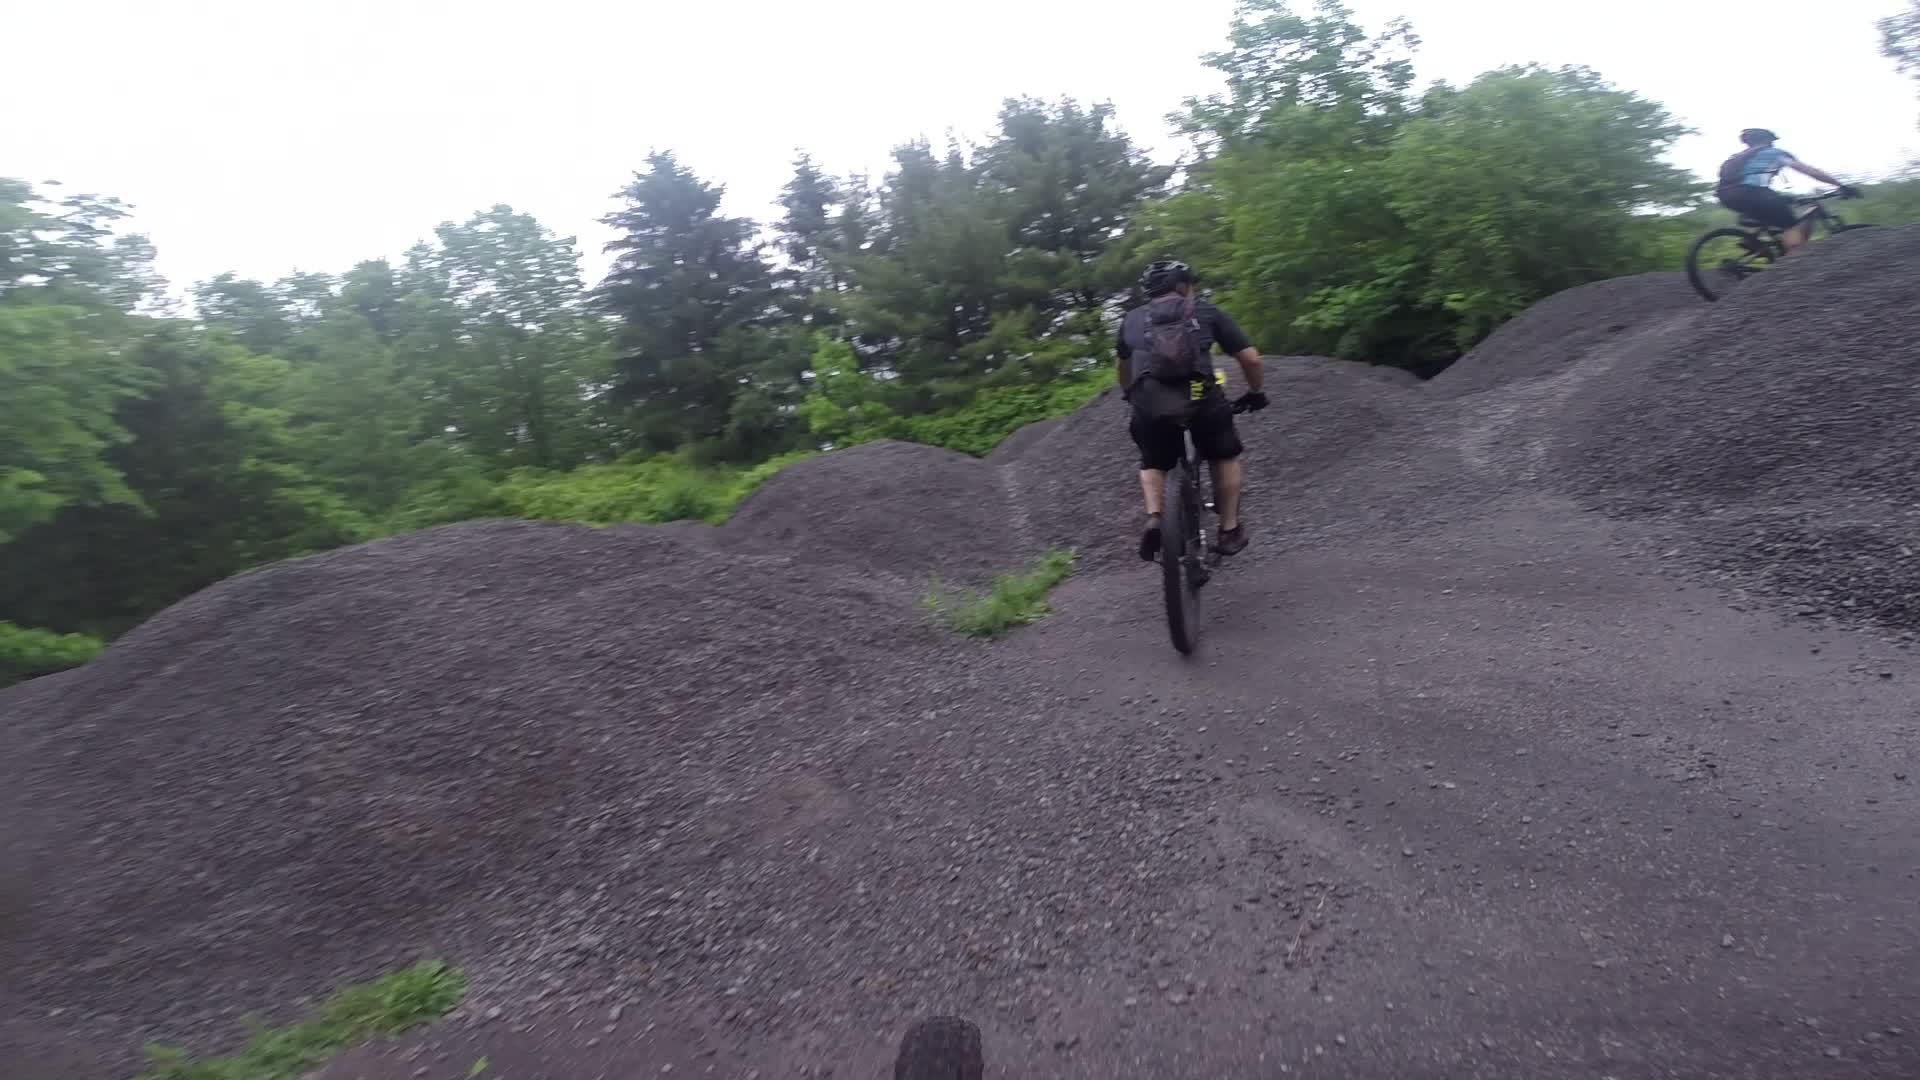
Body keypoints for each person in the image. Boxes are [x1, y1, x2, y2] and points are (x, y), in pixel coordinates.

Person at [1115, 258, 1267, 562]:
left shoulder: (1131, 319)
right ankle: (1229, 530)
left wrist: (1130, 395)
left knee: (1152, 462)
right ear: (1184, 285)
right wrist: (1255, 393)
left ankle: (1155, 516)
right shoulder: (1205, 311)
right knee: (1223, 454)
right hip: (1199, 394)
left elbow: (1123, 366)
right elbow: (1251, 360)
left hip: (1151, 400)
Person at [1715, 128, 1860, 256]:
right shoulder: (1774, 153)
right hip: (1752, 192)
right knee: (1790, 225)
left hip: (1726, 195)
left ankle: (1753, 239)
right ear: (1766, 140)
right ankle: (1795, 260)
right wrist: (1840, 185)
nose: (1773, 143)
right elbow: (1809, 171)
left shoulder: (1739, 157)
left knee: (1774, 207)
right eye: (1772, 141)